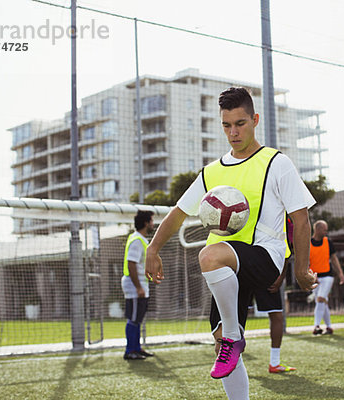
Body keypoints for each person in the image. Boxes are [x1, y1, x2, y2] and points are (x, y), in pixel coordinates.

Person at [145, 87, 317, 399]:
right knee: (220, 341)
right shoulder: (212, 172)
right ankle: (231, 343)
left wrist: (302, 269)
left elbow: (301, 219)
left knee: (209, 256)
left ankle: (233, 338)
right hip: (226, 268)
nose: (233, 132)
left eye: (240, 123)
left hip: (265, 256)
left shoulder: (276, 163)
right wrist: (152, 248)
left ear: (255, 120)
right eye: (227, 125)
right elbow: (179, 212)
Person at [122, 210, 155, 360]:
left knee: (138, 318)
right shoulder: (136, 240)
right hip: (135, 285)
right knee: (133, 318)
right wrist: (138, 287)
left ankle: (137, 348)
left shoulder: (142, 240)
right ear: (146, 223)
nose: (153, 224)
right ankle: (130, 351)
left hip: (141, 284)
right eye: (152, 221)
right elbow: (131, 264)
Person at [251, 265, 296, 373]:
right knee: (276, 316)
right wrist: (281, 276)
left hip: (245, 268)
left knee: (237, 315)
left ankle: (234, 364)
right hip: (265, 270)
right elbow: (286, 255)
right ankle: (274, 363)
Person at [309, 220, 344, 335]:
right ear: (318, 229)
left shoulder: (328, 242)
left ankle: (316, 326)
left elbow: (334, 259)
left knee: (320, 299)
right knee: (322, 302)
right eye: (324, 229)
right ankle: (329, 327)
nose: (326, 231)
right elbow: (305, 262)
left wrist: (340, 273)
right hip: (315, 278)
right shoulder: (308, 243)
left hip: (327, 276)